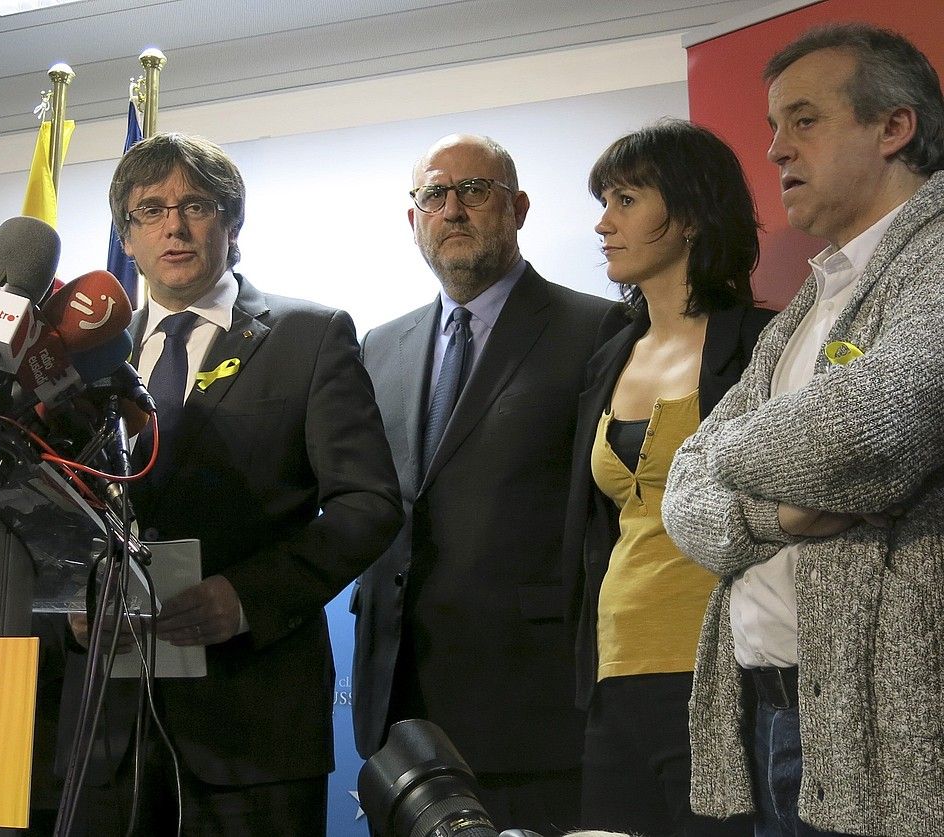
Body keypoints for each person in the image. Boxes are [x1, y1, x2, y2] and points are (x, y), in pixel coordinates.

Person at [62, 132, 402, 836]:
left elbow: (368, 504)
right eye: (149, 210)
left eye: (195, 205)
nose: (173, 226)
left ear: (232, 222)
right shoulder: (80, 355)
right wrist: (65, 597)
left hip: (252, 728)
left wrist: (246, 597)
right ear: (126, 238)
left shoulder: (311, 335)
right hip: (105, 733)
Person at [661, 23, 944, 836]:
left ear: (895, 127)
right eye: (772, 129)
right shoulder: (810, 302)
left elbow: (868, 426)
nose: (777, 150)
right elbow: (683, 494)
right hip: (774, 713)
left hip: (892, 729)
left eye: (805, 120)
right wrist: (771, 512)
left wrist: (722, 456)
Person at [352, 133, 613, 833]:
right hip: (400, 712)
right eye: (434, 195)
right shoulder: (380, 344)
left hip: (530, 702)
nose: (453, 209)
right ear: (414, 222)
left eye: (475, 190)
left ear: (518, 208)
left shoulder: (597, 329)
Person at [562, 120, 771, 836]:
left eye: (625, 199)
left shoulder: (760, 343)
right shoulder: (606, 354)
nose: (603, 223)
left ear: (687, 214)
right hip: (612, 675)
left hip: (723, 671)